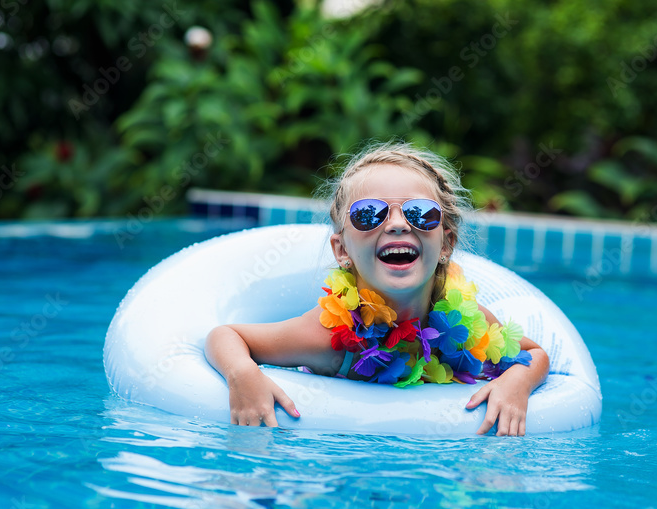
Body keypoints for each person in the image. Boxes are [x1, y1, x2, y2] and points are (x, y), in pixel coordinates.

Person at [204, 141, 551, 436]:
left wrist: (516, 382)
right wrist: (242, 374)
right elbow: (226, 336)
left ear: (446, 243)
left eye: (420, 213)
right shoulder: (326, 337)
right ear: (342, 251)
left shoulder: (465, 325)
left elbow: (534, 354)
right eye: (370, 214)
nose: (399, 224)